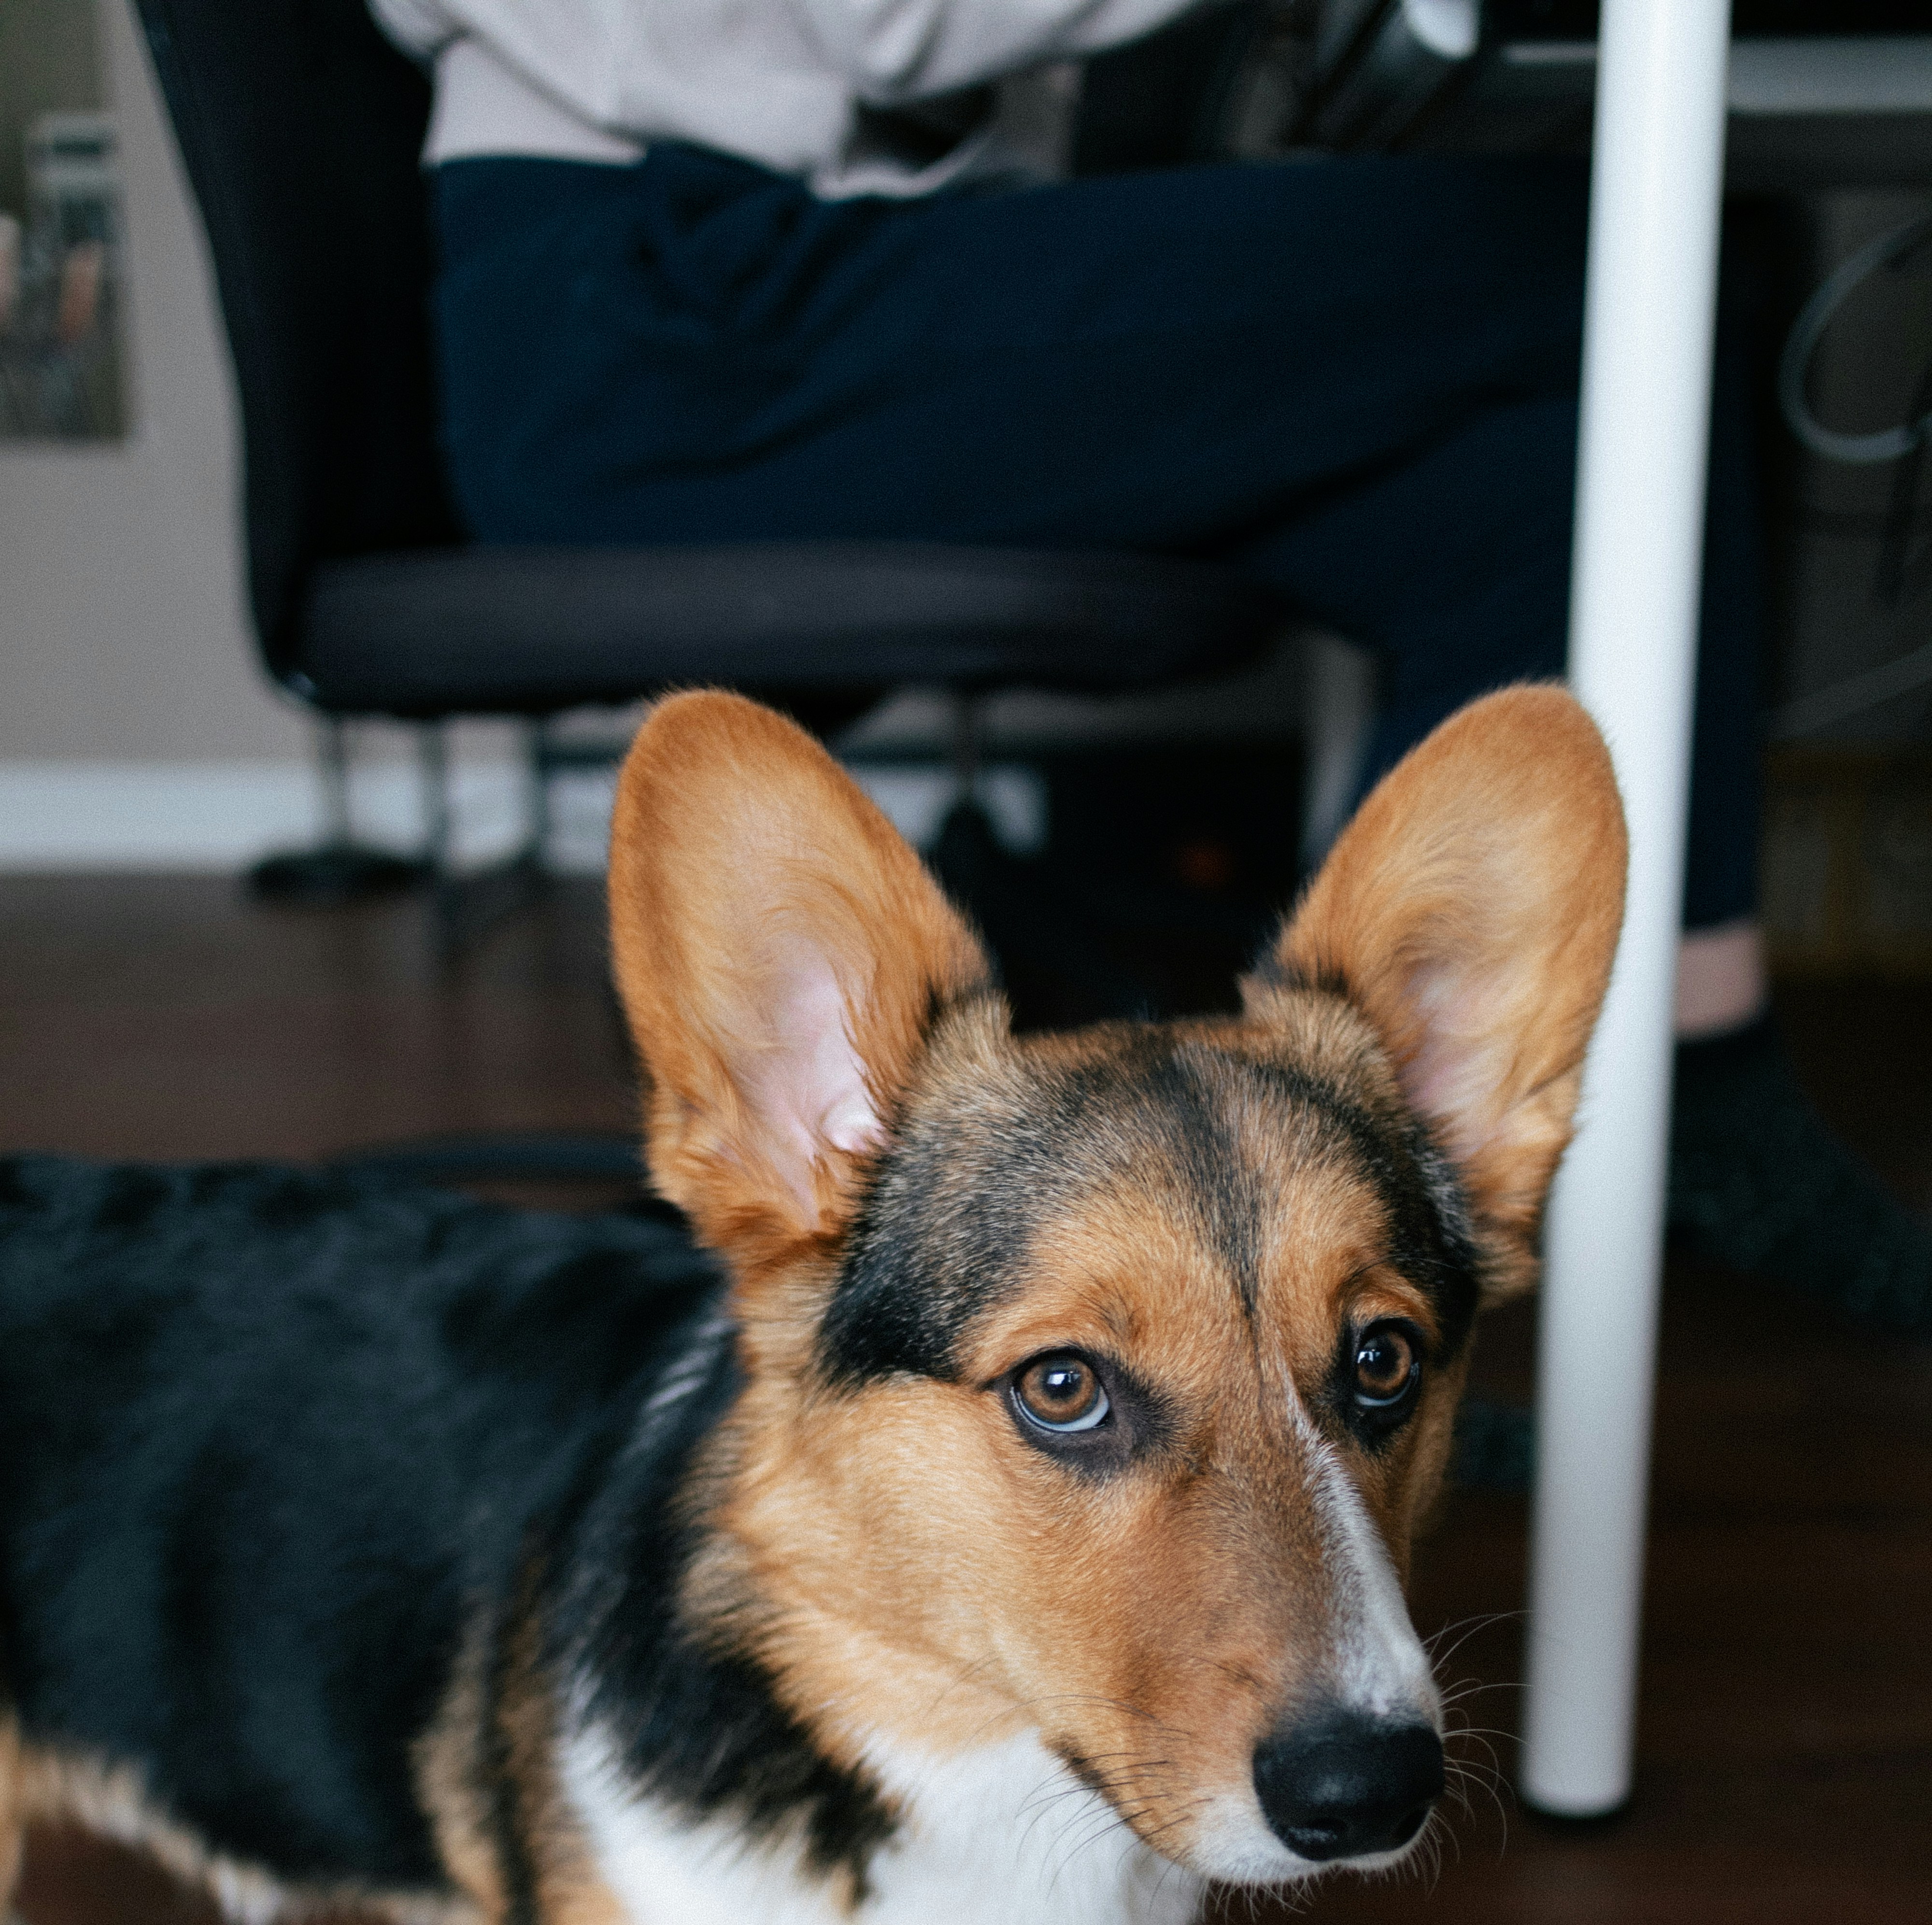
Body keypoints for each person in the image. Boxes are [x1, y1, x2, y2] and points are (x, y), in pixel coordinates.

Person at [372, 0, 1931, 1336]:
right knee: (1613, 251)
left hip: (754, 265)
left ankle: (1379, 1228)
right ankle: (1698, 1071)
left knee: (1522, 490)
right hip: (659, 306)